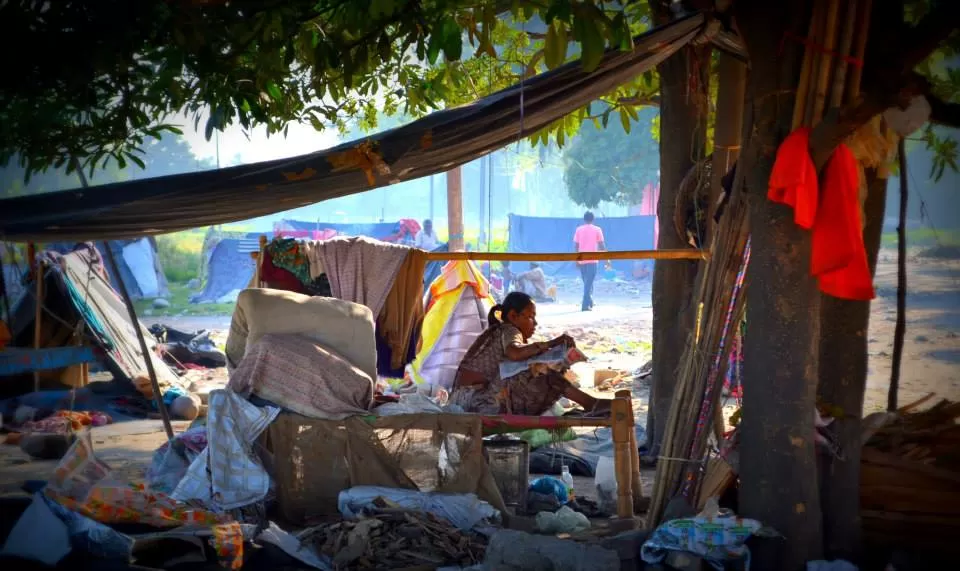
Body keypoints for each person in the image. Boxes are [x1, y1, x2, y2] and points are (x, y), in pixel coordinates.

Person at [450, 292, 610, 416]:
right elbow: (514, 353)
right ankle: (590, 403)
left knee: (539, 370)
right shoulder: (509, 329)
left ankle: (590, 403)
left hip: (464, 399)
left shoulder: (499, 331)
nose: (535, 323)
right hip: (476, 400)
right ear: (513, 316)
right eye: (531, 317)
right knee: (542, 372)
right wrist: (550, 344)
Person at [573, 211, 605, 312]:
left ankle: (589, 301)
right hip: (593, 260)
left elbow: (576, 246)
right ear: (593, 219)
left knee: (587, 282)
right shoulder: (597, 229)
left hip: (582, 259)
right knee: (588, 283)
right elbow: (601, 245)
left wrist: (577, 260)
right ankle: (584, 305)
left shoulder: (579, 230)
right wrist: (607, 258)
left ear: (584, 219)